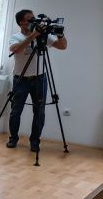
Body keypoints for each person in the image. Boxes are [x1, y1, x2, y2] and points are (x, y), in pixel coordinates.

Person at [7, 9, 67, 151]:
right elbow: (16, 50)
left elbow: (63, 46)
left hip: (40, 78)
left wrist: (60, 35)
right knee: (16, 111)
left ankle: (35, 141)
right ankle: (13, 138)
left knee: (39, 111)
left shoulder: (43, 36)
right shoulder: (16, 37)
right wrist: (33, 35)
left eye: (34, 18)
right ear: (21, 22)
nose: (34, 21)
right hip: (20, 79)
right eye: (30, 19)